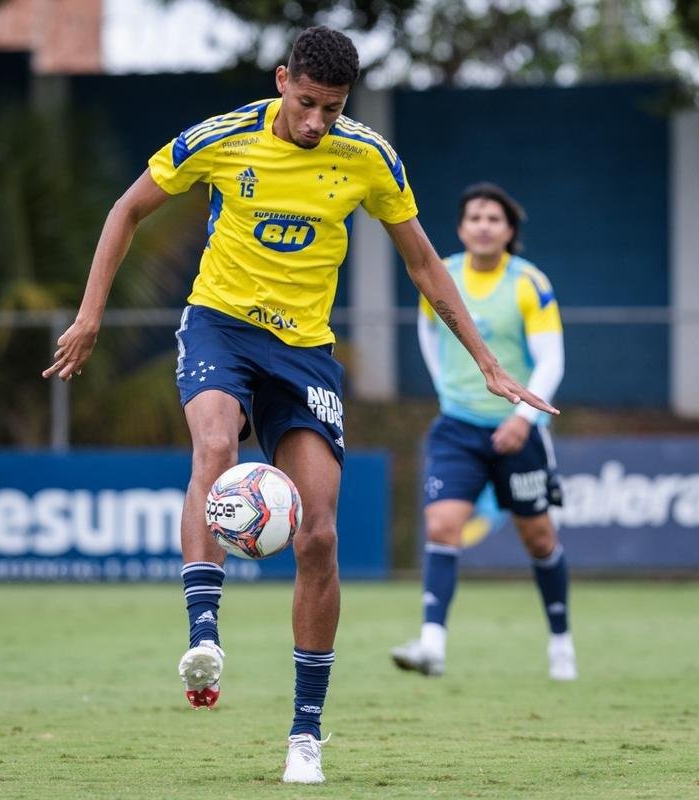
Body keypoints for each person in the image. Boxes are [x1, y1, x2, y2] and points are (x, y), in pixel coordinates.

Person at [42, 30, 557, 784]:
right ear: (284, 81)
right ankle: (204, 632)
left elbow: (421, 261)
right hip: (219, 325)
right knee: (215, 451)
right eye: (308, 103)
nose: (317, 122)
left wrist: (488, 360)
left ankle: (305, 736)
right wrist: (90, 315)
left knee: (318, 534)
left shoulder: (368, 157)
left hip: (306, 354)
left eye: (333, 108)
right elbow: (128, 210)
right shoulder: (222, 139)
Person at [390, 182, 577, 682]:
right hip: (457, 427)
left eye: (494, 218)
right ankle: (432, 644)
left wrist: (524, 418)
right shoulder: (441, 275)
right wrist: (447, 392)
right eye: (474, 217)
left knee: (538, 539)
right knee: (441, 526)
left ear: (509, 231)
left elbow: (551, 359)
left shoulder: (528, 283)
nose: (483, 225)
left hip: (518, 431)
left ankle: (561, 643)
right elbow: (430, 335)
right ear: (460, 228)